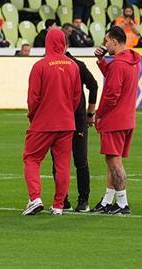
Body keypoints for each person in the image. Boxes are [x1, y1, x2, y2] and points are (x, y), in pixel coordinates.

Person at [22, 29, 82, 216]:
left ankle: (35, 198)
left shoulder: (40, 65)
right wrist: (67, 113)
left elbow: (33, 97)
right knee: (63, 164)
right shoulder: (73, 66)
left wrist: (33, 116)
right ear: (63, 42)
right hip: (66, 122)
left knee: (31, 159)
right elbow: (76, 96)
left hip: (43, 122)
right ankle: (58, 205)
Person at [92, 26, 142, 215]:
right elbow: (115, 76)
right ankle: (107, 201)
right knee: (113, 161)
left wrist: (99, 113)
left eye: (106, 40)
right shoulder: (132, 61)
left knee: (114, 163)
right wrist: (102, 61)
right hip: (127, 118)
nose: (105, 44)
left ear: (114, 41)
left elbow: (111, 94)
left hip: (115, 120)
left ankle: (122, 203)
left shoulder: (118, 64)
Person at [58, 47, 98, 212]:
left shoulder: (75, 65)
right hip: (77, 118)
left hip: (65, 119)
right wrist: (90, 112)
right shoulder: (77, 64)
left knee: (61, 161)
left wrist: (90, 112)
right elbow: (93, 85)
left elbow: (93, 85)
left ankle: (65, 199)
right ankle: (80, 201)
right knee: (79, 161)